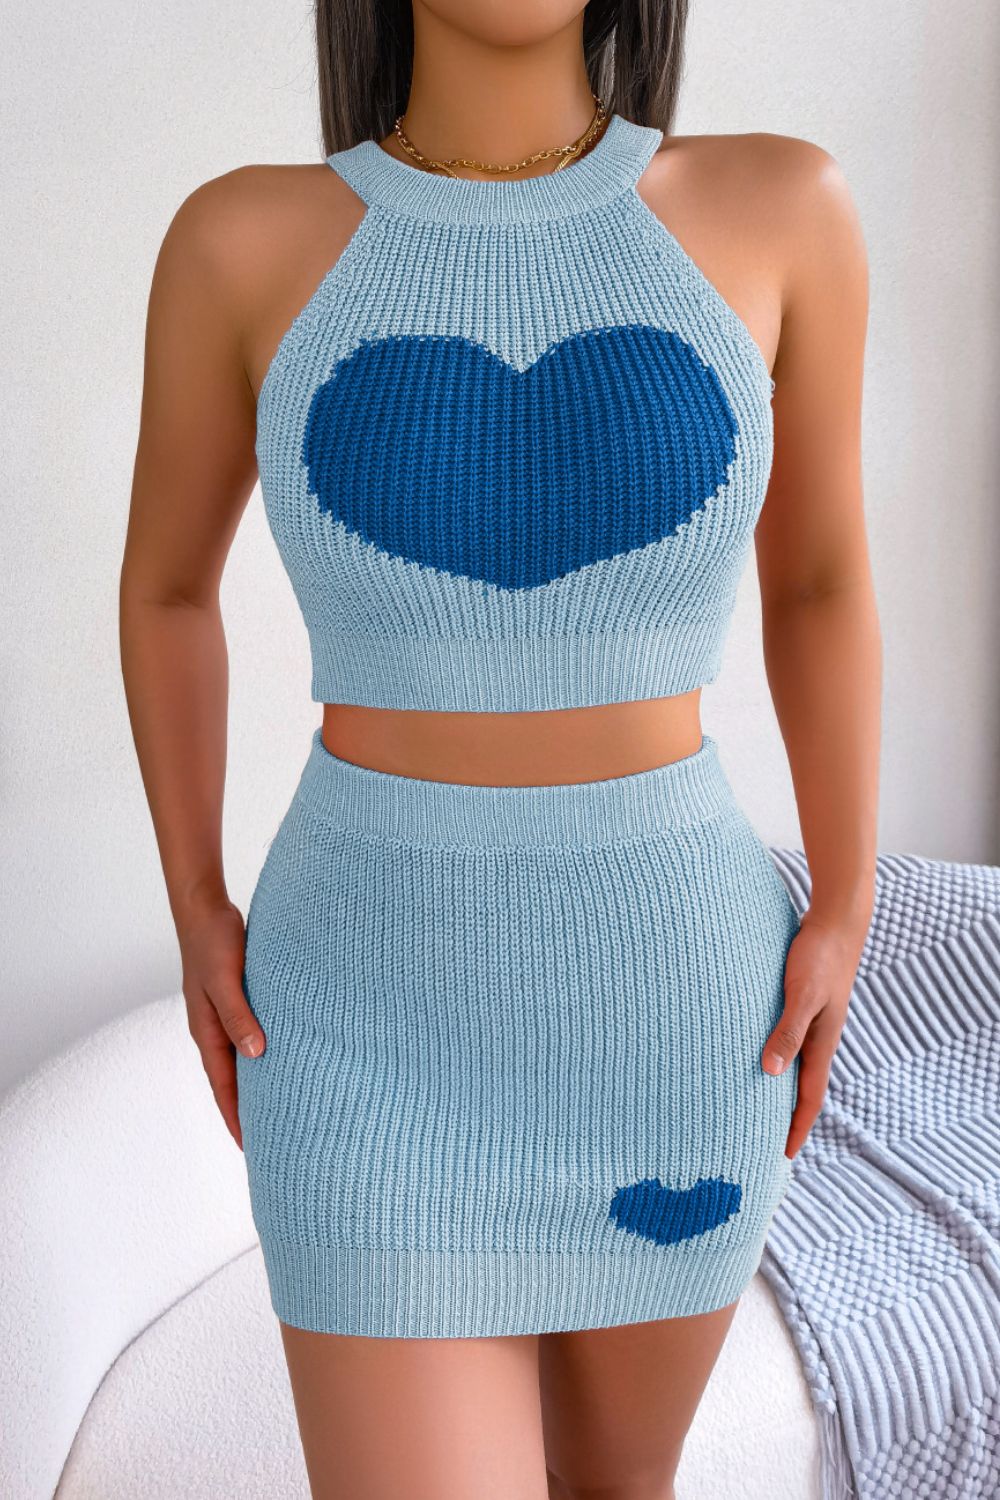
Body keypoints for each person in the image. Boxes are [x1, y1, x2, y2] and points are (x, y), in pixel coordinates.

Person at [118, 3, 881, 1496]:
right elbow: (164, 590)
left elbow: (821, 582)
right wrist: (193, 900)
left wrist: (848, 904)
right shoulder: (239, 242)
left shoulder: (785, 206)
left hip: (681, 1018)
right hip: (359, 1026)